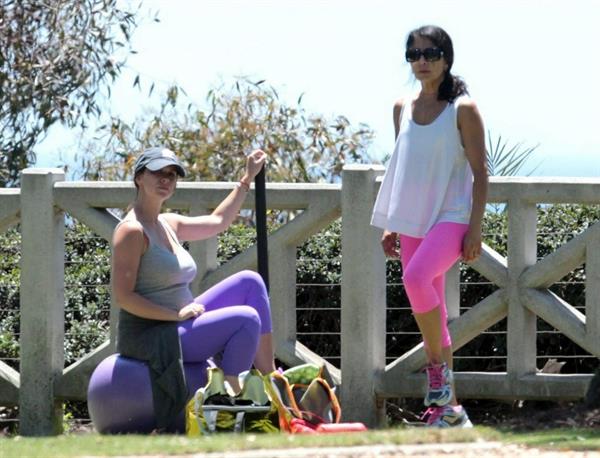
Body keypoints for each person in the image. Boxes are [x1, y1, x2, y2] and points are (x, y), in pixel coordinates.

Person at [371, 25, 488, 428]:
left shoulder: (463, 109)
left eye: (430, 53)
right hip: (413, 220)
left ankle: (437, 372)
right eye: (414, 54)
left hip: (452, 217)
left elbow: (481, 172)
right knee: (431, 313)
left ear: (446, 58)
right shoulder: (401, 107)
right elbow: (402, 168)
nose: (422, 60)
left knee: (415, 278)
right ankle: (450, 410)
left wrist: (475, 228)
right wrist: (391, 221)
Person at [111, 146, 276, 430]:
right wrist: (175, 315)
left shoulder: (166, 223)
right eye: (158, 172)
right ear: (139, 177)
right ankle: (228, 403)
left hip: (182, 319)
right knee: (246, 319)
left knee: (250, 281)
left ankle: (271, 382)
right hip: (154, 334)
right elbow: (124, 297)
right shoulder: (131, 231)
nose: (166, 179)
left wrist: (247, 178)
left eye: (172, 175)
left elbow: (218, 222)